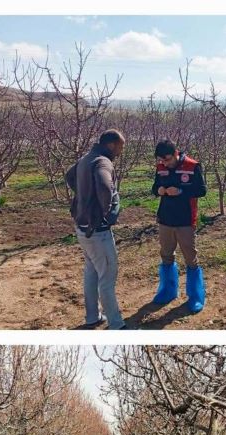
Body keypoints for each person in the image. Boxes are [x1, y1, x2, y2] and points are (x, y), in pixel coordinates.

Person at [65, 129, 127, 330]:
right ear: (111, 144)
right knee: (107, 275)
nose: (121, 150)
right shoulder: (102, 162)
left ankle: (92, 317)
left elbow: (69, 175)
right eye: (120, 146)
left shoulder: (86, 158)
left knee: (91, 272)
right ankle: (116, 324)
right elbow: (104, 186)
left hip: (83, 229)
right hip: (97, 231)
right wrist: (105, 212)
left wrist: (84, 197)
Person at [150, 139, 207, 312]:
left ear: (175, 153)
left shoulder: (192, 166)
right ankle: (167, 291)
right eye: (161, 160)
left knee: (190, 257)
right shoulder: (161, 168)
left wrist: (181, 191)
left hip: (185, 220)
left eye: (167, 159)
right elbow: (154, 187)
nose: (164, 163)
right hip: (166, 219)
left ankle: (195, 296)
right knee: (166, 255)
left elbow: (202, 190)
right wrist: (158, 190)